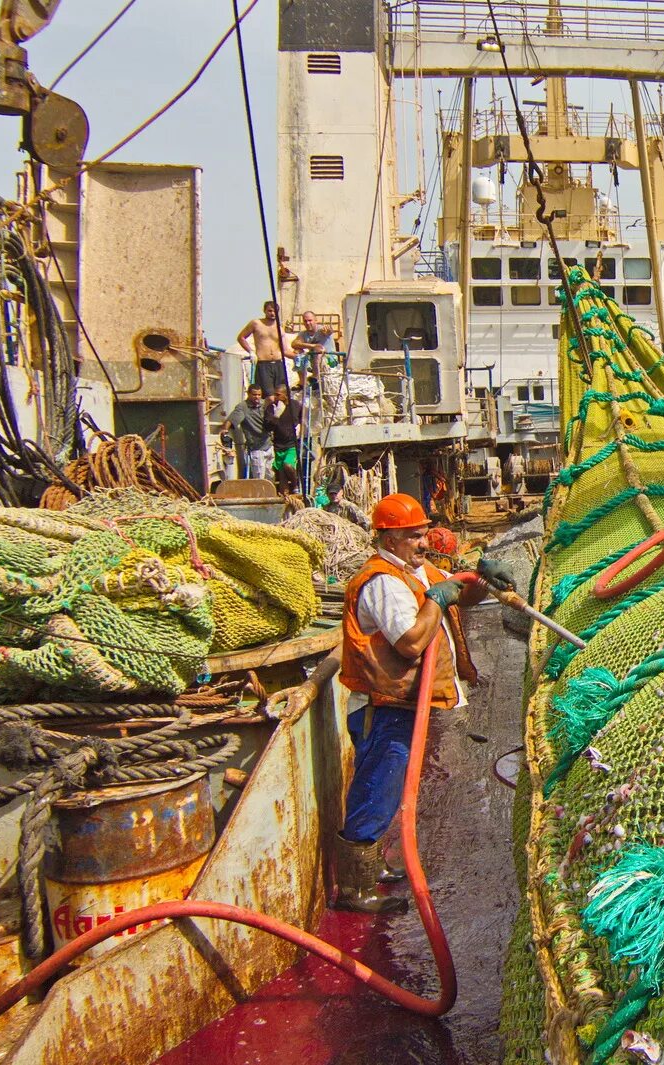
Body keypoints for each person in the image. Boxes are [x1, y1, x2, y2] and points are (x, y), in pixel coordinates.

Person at [335, 494, 491, 913]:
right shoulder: (383, 582)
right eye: (413, 537)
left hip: (402, 705)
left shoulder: (416, 571)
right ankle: (354, 891)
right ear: (388, 537)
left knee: (390, 787)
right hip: (383, 706)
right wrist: (437, 600)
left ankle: (374, 870)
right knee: (376, 790)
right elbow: (409, 643)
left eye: (423, 535)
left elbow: (458, 593)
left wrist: (481, 581)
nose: (423, 544)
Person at [219, 384, 273, 481]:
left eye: (259, 395)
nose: (257, 397)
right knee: (259, 479)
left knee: (270, 477)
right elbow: (231, 420)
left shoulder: (264, 404)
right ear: (248, 394)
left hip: (269, 445)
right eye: (254, 395)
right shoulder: (243, 407)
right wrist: (224, 430)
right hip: (257, 448)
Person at [238, 300, 290, 398]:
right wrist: (251, 351)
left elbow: (285, 351)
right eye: (270, 311)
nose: (272, 313)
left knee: (281, 395)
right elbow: (241, 337)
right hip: (264, 364)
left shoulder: (280, 328)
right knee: (269, 396)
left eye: (275, 311)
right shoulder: (256, 323)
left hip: (278, 364)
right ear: (265, 311)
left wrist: (298, 356)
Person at [266, 384, 304, 497]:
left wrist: (300, 429)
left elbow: (303, 419)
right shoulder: (271, 408)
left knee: (288, 465)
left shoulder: (295, 405)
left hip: (291, 444)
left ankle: (295, 485)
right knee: (282, 474)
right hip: (278, 445)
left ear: (285, 395)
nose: (275, 397)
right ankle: (286, 499)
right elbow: (267, 427)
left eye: (278, 395)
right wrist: (276, 416)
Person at [289, 310, 334, 392]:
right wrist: (312, 345)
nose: (308, 323)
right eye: (305, 321)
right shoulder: (303, 334)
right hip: (314, 362)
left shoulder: (322, 330)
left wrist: (329, 330)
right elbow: (294, 344)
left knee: (318, 349)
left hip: (328, 360)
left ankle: (316, 377)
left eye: (310, 320)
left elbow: (329, 330)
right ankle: (302, 382)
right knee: (297, 351)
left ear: (316, 320)